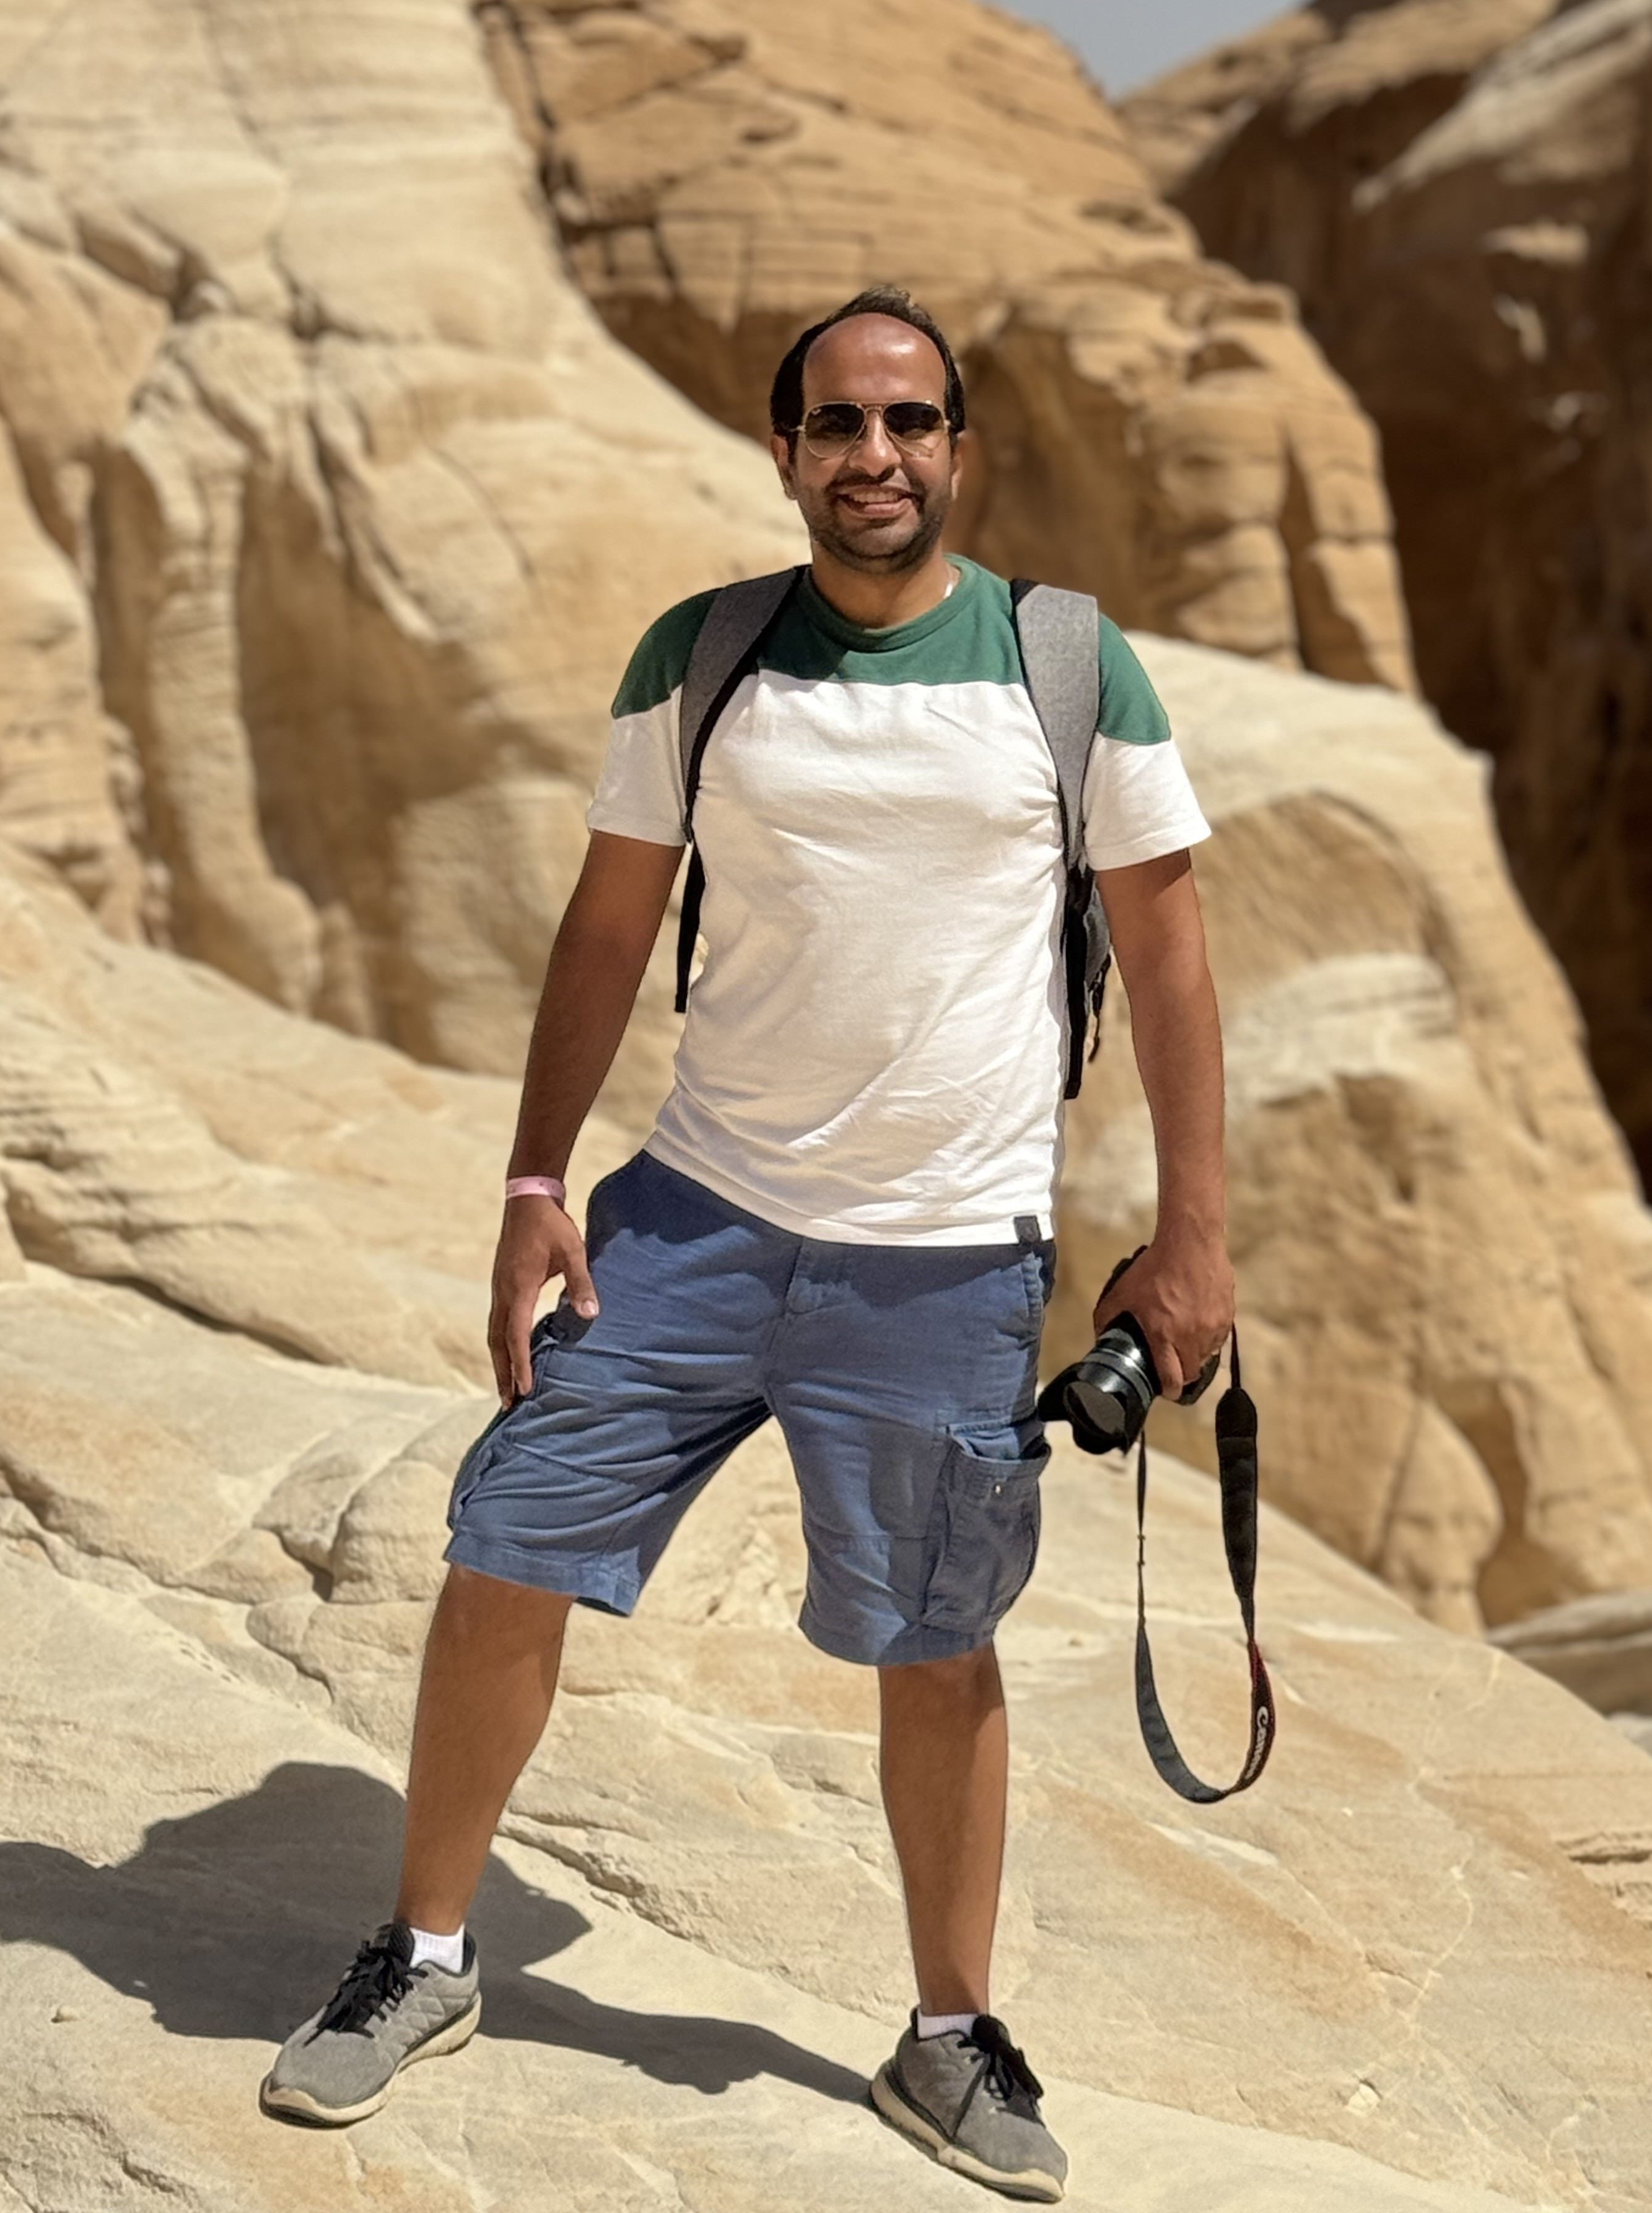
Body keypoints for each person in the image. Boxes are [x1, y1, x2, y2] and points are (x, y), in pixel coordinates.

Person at [261, 287, 1233, 2202]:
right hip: (692, 1220)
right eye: (839, 423)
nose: (877, 454)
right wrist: (534, 1187)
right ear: (784, 452)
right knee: (505, 1542)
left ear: (958, 450)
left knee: (937, 1645)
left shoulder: (1067, 666)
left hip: (948, 1258)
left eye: (910, 420)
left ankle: (948, 2039)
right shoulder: (704, 657)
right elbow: (610, 920)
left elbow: (1176, 949)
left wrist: (1192, 1236)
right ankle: (428, 1955)